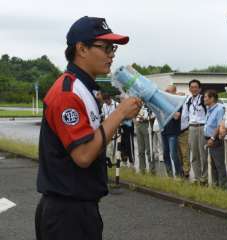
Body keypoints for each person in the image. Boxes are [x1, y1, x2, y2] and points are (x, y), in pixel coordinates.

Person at [35, 16, 140, 240]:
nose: (111, 54)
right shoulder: (68, 93)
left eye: (114, 48)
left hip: (81, 209)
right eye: (106, 47)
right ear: (82, 49)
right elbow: (83, 155)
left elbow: (93, 139)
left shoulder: (84, 88)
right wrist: (119, 114)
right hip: (66, 214)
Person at [183, 79, 207, 184]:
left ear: (200, 89)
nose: (193, 89)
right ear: (189, 89)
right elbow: (185, 116)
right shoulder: (188, 100)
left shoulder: (204, 99)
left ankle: (204, 177)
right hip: (192, 127)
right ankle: (197, 177)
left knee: (203, 154)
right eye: (191, 87)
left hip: (202, 126)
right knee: (194, 155)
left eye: (196, 87)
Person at [203, 89, 227, 188]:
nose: (204, 99)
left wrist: (212, 138)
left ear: (212, 98)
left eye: (205, 97)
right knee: (213, 165)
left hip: (215, 140)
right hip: (209, 139)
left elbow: (219, 125)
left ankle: (222, 187)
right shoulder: (209, 109)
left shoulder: (219, 109)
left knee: (219, 165)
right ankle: (215, 186)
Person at [161, 85, 182, 177]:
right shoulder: (163, 102)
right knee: (165, 155)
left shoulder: (177, 103)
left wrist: (167, 107)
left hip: (173, 132)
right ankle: (169, 174)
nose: (166, 93)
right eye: (165, 91)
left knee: (174, 155)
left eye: (168, 91)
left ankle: (178, 174)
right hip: (164, 131)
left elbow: (177, 116)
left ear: (174, 92)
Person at [135, 101, 155, 174]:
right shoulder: (137, 102)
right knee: (140, 150)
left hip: (147, 124)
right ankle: (142, 169)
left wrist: (147, 118)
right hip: (138, 124)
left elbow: (154, 114)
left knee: (149, 149)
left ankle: (152, 170)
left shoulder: (150, 102)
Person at [177, 91, 191, 179]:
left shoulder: (187, 107)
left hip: (184, 132)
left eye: (182, 97)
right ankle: (180, 169)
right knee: (178, 154)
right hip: (175, 133)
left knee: (185, 152)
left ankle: (186, 171)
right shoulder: (174, 107)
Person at [101, 94, 118, 163]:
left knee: (115, 145)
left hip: (115, 127)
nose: (106, 103)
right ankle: (109, 161)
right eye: (105, 101)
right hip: (107, 128)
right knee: (108, 145)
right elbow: (103, 114)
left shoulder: (116, 105)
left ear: (110, 98)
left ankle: (116, 161)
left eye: (107, 101)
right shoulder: (104, 105)